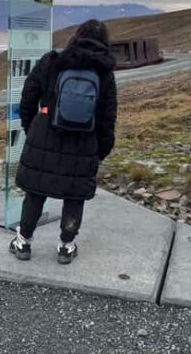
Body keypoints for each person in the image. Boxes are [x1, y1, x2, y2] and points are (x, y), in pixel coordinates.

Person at [10, 19, 118, 264]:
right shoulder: (104, 73)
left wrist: (33, 130)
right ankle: (66, 247)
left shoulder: (52, 62)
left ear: (76, 35)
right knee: (74, 195)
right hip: (83, 142)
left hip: (44, 134)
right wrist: (100, 151)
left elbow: (27, 99)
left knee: (35, 192)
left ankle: (23, 242)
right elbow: (107, 117)